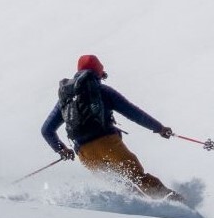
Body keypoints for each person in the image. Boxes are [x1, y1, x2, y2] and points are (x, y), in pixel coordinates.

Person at [41, 54, 185, 203]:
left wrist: (61, 149)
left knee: (123, 186)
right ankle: (175, 202)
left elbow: (46, 130)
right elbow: (133, 112)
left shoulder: (65, 98)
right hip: (108, 144)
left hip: (85, 154)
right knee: (137, 177)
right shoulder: (103, 91)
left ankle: (144, 211)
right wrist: (159, 128)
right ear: (98, 71)